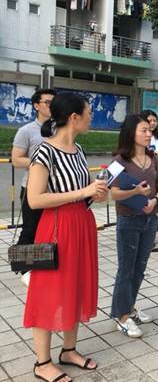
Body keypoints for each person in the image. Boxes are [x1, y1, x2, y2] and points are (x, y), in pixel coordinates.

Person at [24, 93, 108, 382]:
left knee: (77, 286)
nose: (91, 117)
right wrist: (83, 192)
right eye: (89, 113)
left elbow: (82, 191)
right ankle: (42, 362)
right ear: (74, 117)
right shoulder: (44, 151)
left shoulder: (78, 149)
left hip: (82, 223)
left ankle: (69, 350)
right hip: (57, 228)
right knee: (48, 291)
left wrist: (95, 192)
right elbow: (35, 199)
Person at [110, 114, 158, 338]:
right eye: (143, 130)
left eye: (149, 130)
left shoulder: (153, 158)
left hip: (150, 218)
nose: (149, 134)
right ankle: (121, 316)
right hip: (128, 220)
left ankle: (130, 307)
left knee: (140, 268)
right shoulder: (119, 161)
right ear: (131, 133)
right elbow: (113, 193)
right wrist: (135, 192)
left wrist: (154, 200)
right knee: (126, 268)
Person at [11, 89, 55, 283]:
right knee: (31, 228)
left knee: (49, 229)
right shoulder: (26, 130)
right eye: (47, 102)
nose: (51, 106)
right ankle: (24, 270)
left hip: (55, 190)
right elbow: (16, 159)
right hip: (33, 188)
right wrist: (42, 163)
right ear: (36, 106)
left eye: (54, 102)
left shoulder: (59, 129)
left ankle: (44, 266)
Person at [140, 109, 158, 252]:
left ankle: (151, 237)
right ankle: (141, 234)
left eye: (155, 120)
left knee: (154, 203)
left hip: (155, 173)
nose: (152, 123)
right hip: (141, 173)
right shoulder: (138, 135)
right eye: (149, 120)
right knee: (142, 202)